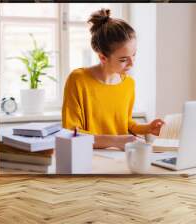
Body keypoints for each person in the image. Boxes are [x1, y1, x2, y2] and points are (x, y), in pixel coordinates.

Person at [62, 8, 164, 150]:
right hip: (88, 158)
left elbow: (126, 123)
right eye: (123, 59)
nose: (132, 63)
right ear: (103, 57)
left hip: (121, 157)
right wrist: (115, 141)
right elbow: (71, 133)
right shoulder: (78, 80)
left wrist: (147, 128)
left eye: (134, 55)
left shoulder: (128, 83)